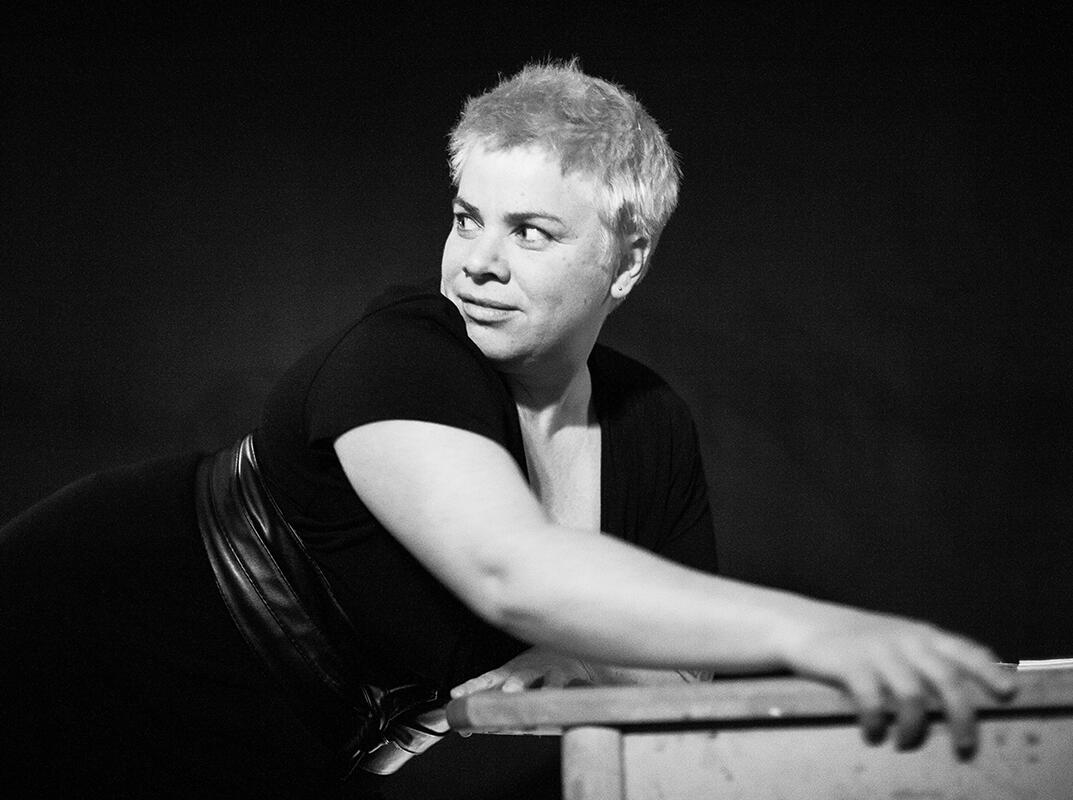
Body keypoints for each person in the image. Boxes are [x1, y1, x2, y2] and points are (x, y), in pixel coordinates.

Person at [0, 60, 1014, 799]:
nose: (477, 261)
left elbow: (676, 685)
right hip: (82, 636)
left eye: (529, 230)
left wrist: (594, 653)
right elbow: (513, 573)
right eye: (465, 217)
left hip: (268, 733)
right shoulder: (404, 350)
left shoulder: (647, 421)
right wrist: (823, 633)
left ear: (627, 260)